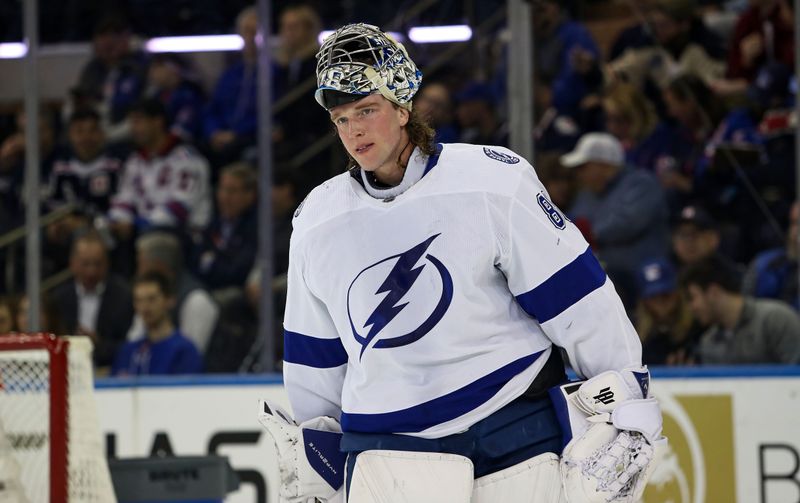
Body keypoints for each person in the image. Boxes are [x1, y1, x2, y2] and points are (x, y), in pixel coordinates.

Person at [257, 23, 665, 503]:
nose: (355, 130)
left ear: (403, 105)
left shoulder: (491, 182)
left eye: (366, 110)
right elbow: (314, 358)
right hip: (388, 458)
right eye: (342, 119)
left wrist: (624, 398)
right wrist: (317, 457)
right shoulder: (317, 221)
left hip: (512, 435)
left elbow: (578, 300)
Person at [563, 132, 670, 310]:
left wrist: (590, 232)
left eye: (583, 167)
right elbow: (573, 226)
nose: (578, 175)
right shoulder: (586, 195)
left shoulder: (641, 183)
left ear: (604, 165)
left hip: (643, 282)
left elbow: (627, 223)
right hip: (607, 281)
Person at [109, 98, 212, 240]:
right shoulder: (135, 161)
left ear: (158, 122)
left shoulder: (188, 159)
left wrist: (137, 225)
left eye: (138, 121)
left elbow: (180, 208)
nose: (133, 128)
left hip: (185, 235)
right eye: (132, 122)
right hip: (142, 233)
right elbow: (124, 199)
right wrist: (118, 221)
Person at [682, 255, 800, 364]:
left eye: (692, 298)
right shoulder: (709, 342)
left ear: (714, 292)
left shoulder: (775, 319)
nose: (690, 308)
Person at [50, 231, 133, 368]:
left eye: (97, 264)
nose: (91, 272)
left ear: (107, 264)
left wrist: (98, 344)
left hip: (109, 369)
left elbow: (127, 344)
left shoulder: (122, 296)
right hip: (67, 368)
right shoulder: (60, 298)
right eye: (85, 264)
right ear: (73, 264)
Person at [112, 270, 203, 376]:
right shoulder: (128, 351)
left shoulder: (184, 351)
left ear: (169, 300)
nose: (144, 307)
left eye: (152, 299)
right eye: (139, 300)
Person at [192, 162, 258, 292]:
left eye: (232, 191)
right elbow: (195, 263)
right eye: (222, 189)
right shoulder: (213, 223)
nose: (224, 197)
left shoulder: (257, 227)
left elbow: (238, 272)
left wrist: (212, 263)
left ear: (249, 195)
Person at [635, 258, 703, 365]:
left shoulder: (697, 329)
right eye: (653, 296)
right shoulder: (635, 335)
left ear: (678, 293)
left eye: (665, 295)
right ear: (644, 301)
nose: (660, 301)